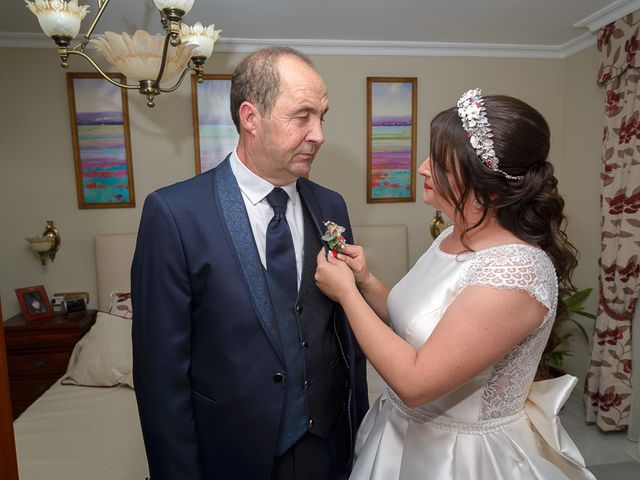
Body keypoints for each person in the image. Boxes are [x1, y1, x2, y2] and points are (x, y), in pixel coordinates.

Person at [315, 89, 597, 479]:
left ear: (489, 189)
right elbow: (418, 322)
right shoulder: (451, 235)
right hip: (402, 434)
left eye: (441, 165)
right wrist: (365, 280)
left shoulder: (517, 271)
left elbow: (416, 382)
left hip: (461, 456)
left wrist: (346, 293)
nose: (422, 168)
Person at [131, 46, 368, 480]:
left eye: (322, 117)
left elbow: (342, 337)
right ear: (250, 117)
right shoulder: (175, 214)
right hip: (230, 453)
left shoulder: (331, 205)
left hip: (326, 444)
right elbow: (159, 375)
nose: (318, 134)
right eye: (302, 116)